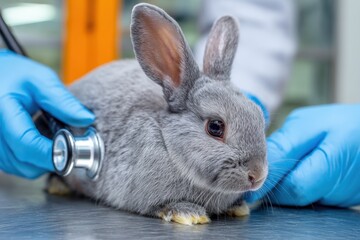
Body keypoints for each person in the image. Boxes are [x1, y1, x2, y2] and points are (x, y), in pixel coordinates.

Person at [1, 0, 360, 208]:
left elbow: (254, 11)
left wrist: (231, 102)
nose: (257, 176)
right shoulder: (158, 142)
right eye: (215, 128)